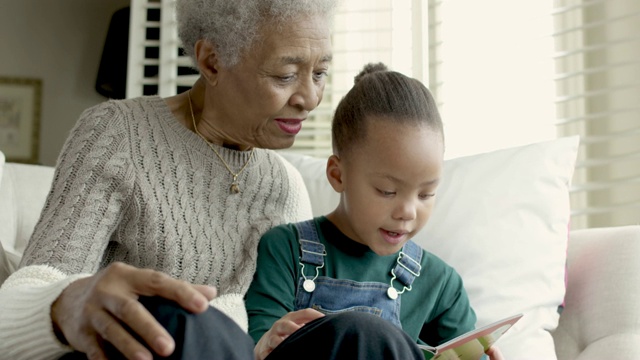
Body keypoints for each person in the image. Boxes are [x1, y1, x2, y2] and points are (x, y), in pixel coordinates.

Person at [0, 0, 339, 359]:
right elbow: (20, 302)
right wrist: (67, 301)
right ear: (212, 61)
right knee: (181, 316)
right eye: (285, 75)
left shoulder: (285, 186)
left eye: (319, 74)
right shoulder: (119, 135)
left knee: (361, 332)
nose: (310, 99)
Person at [245, 63, 505, 360]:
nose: (407, 211)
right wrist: (268, 340)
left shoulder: (442, 283)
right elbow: (256, 342)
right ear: (338, 175)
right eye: (387, 191)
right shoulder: (283, 249)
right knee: (362, 330)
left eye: (426, 194)